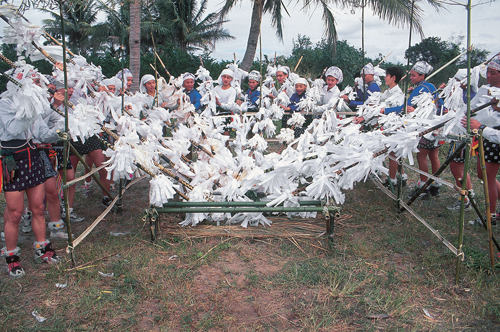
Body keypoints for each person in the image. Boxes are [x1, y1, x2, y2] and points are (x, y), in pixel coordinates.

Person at [0, 70, 61, 278]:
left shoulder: (36, 106)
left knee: (38, 207)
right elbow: (13, 129)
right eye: (34, 81)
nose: (38, 85)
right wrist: (37, 109)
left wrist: (61, 131)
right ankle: (11, 257)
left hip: (32, 157)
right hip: (13, 159)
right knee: (15, 213)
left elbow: (42, 134)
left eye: (39, 82)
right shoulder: (5, 103)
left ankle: (42, 248)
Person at [463, 55, 500, 225]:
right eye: (488, 72)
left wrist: (481, 126)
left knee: (488, 176)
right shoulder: (485, 89)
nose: (489, 76)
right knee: (482, 173)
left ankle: (490, 216)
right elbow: (473, 107)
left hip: (493, 137)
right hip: (482, 135)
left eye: (493, 73)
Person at [405, 61, 445, 198]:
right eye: (411, 75)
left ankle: (423, 185)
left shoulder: (419, 89)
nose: (411, 78)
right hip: (435, 126)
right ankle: (435, 184)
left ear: (422, 76)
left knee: (421, 156)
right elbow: (440, 104)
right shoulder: (431, 86)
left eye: (414, 76)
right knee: (434, 156)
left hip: (425, 128)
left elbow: (408, 106)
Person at [444, 69, 478, 211]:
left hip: (463, 136)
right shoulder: (463, 94)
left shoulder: (469, 96)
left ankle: (466, 198)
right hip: (459, 135)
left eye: (458, 81)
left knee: (457, 167)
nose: (456, 84)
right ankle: (466, 195)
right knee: (457, 166)